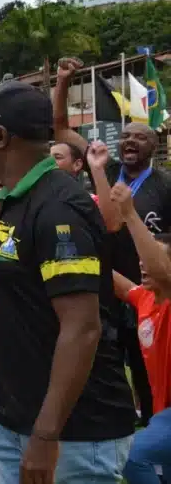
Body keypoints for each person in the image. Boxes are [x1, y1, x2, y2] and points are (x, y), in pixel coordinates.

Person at [0, 79, 136, 483]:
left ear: (1, 137)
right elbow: (29, 313)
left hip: (73, 437)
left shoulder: (59, 208)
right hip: (18, 423)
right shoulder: (20, 200)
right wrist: (4, 391)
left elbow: (83, 328)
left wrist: (45, 434)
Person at [54, 56, 171, 424]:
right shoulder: (103, 168)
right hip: (106, 293)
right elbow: (61, 129)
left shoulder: (165, 186)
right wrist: (63, 82)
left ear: (153, 146)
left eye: (140, 137)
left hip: (149, 295)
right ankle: (113, 429)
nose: (130, 140)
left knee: (149, 375)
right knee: (103, 370)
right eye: (125, 136)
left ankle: (153, 431)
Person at [108, 182, 171, 483]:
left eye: (153, 257)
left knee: (133, 456)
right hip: (162, 412)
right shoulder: (144, 298)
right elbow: (114, 281)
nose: (143, 264)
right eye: (142, 258)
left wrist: (129, 213)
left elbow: (162, 273)